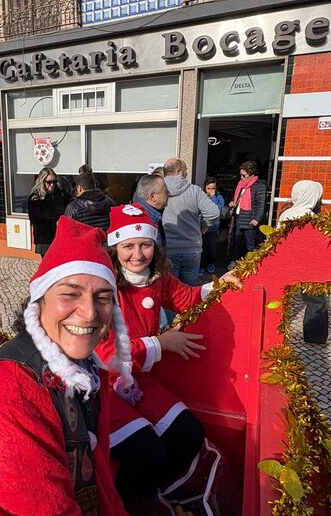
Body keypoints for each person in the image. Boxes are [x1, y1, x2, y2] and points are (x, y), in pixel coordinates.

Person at [0, 217, 133, 515]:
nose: (90, 313)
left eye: (102, 298)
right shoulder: (12, 401)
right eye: (70, 293)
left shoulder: (85, 372)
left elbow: (99, 476)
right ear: (38, 303)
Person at [96, 204, 241, 503]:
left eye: (145, 245)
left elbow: (186, 297)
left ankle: (158, 493)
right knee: (145, 450)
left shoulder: (156, 278)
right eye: (129, 246)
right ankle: (125, 505)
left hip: (139, 380)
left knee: (188, 433)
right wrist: (160, 344)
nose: (138, 254)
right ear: (115, 248)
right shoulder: (102, 286)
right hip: (104, 387)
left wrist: (219, 286)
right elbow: (103, 353)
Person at [278, 181, 329, 344]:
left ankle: (276, 332)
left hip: (285, 263)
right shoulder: (312, 219)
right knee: (316, 302)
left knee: (281, 300)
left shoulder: (286, 214)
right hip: (309, 267)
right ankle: (315, 338)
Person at [161, 158, 220, 286]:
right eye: (185, 171)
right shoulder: (194, 191)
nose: (187, 174)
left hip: (169, 249)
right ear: (178, 171)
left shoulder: (159, 191)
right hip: (192, 249)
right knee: (190, 293)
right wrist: (204, 225)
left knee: (170, 292)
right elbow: (214, 212)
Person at [227, 161, 267, 267]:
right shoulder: (241, 184)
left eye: (244, 175)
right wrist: (233, 202)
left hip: (250, 218)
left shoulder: (259, 186)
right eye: (241, 175)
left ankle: (250, 264)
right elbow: (238, 198)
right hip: (239, 216)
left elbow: (260, 204)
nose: (242, 177)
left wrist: (257, 219)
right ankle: (234, 261)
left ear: (251, 174)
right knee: (236, 241)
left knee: (250, 243)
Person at [26, 167, 71, 257]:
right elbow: (35, 220)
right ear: (42, 181)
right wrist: (55, 222)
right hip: (45, 238)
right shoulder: (35, 198)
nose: (52, 185)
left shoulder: (61, 194)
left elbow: (71, 205)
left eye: (54, 182)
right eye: (49, 182)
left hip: (61, 235)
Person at [133, 173, 169, 246]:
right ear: (153, 197)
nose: (169, 194)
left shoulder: (153, 217)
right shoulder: (142, 221)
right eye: (166, 191)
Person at [200, 177, 226, 275]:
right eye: (208, 188)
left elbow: (219, 209)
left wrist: (213, 197)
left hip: (214, 227)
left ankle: (211, 263)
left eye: (213, 188)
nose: (211, 191)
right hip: (202, 226)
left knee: (212, 248)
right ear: (205, 188)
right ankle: (202, 265)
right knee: (202, 247)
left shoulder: (219, 197)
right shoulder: (201, 196)